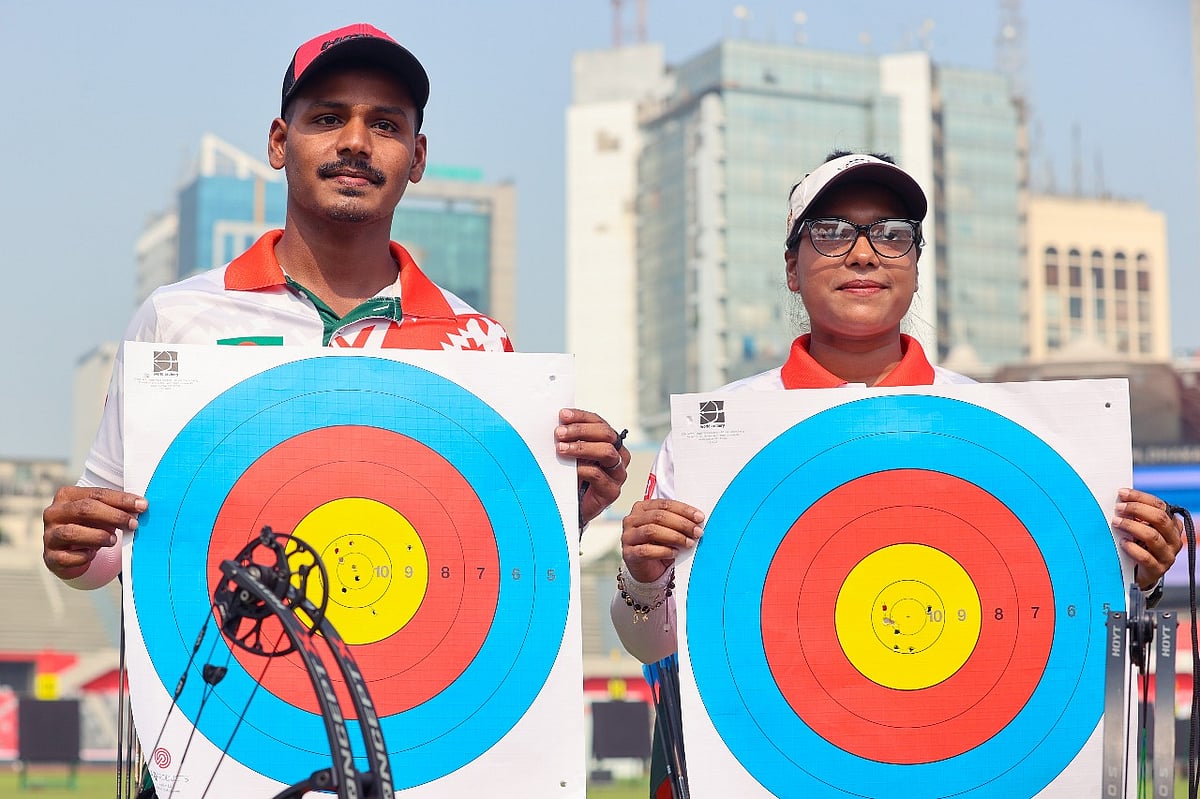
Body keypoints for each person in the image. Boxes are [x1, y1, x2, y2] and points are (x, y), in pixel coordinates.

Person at [612, 151, 1184, 796]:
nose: (864, 253)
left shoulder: (1007, 429)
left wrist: (1138, 575)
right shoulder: (715, 436)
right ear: (791, 269)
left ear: (914, 265)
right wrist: (642, 573)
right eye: (831, 232)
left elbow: (1067, 629)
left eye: (892, 233)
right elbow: (647, 644)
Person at [43, 23, 630, 589]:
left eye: (385, 124)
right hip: (220, 681)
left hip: (403, 685)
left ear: (417, 158)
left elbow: (485, 560)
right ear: (279, 142)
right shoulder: (176, 318)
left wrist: (567, 508)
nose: (355, 142)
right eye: (327, 119)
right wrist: (74, 548)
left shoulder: (478, 342)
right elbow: (109, 545)